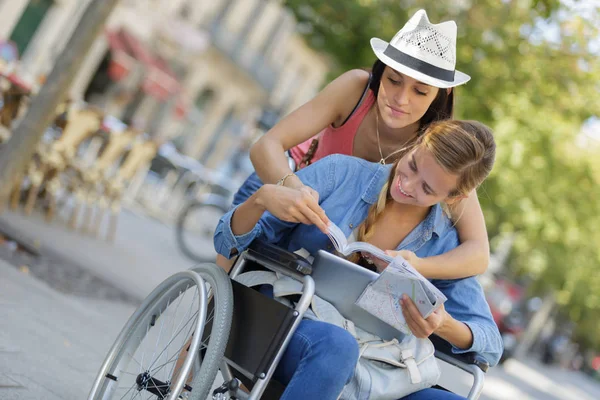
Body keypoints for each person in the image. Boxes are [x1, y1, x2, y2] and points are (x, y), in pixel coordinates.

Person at [214, 119, 503, 400]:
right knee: (338, 348)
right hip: (289, 327)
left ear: (454, 198)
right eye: (413, 164)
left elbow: (492, 344)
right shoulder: (340, 174)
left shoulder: (445, 244)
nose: (407, 184)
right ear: (415, 144)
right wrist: (261, 199)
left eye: (427, 189)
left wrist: (442, 325)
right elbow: (227, 243)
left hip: (375, 366)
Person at [219, 9, 489, 281]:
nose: (401, 99)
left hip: (331, 238)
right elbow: (266, 146)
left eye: (420, 91)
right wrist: (295, 190)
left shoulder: (439, 147)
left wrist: (417, 265)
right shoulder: (356, 89)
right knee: (229, 278)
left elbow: (478, 252)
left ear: (443, 92)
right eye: (393, 80)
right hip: (282, 184)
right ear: (381, 69)